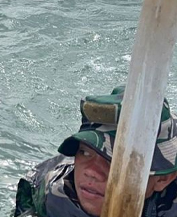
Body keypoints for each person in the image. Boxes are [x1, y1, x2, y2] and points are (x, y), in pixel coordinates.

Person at [13, 86, 177, 217]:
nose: (91, 172)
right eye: (85, 152)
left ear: (162, 178)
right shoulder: (50, 193)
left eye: (113, 161)